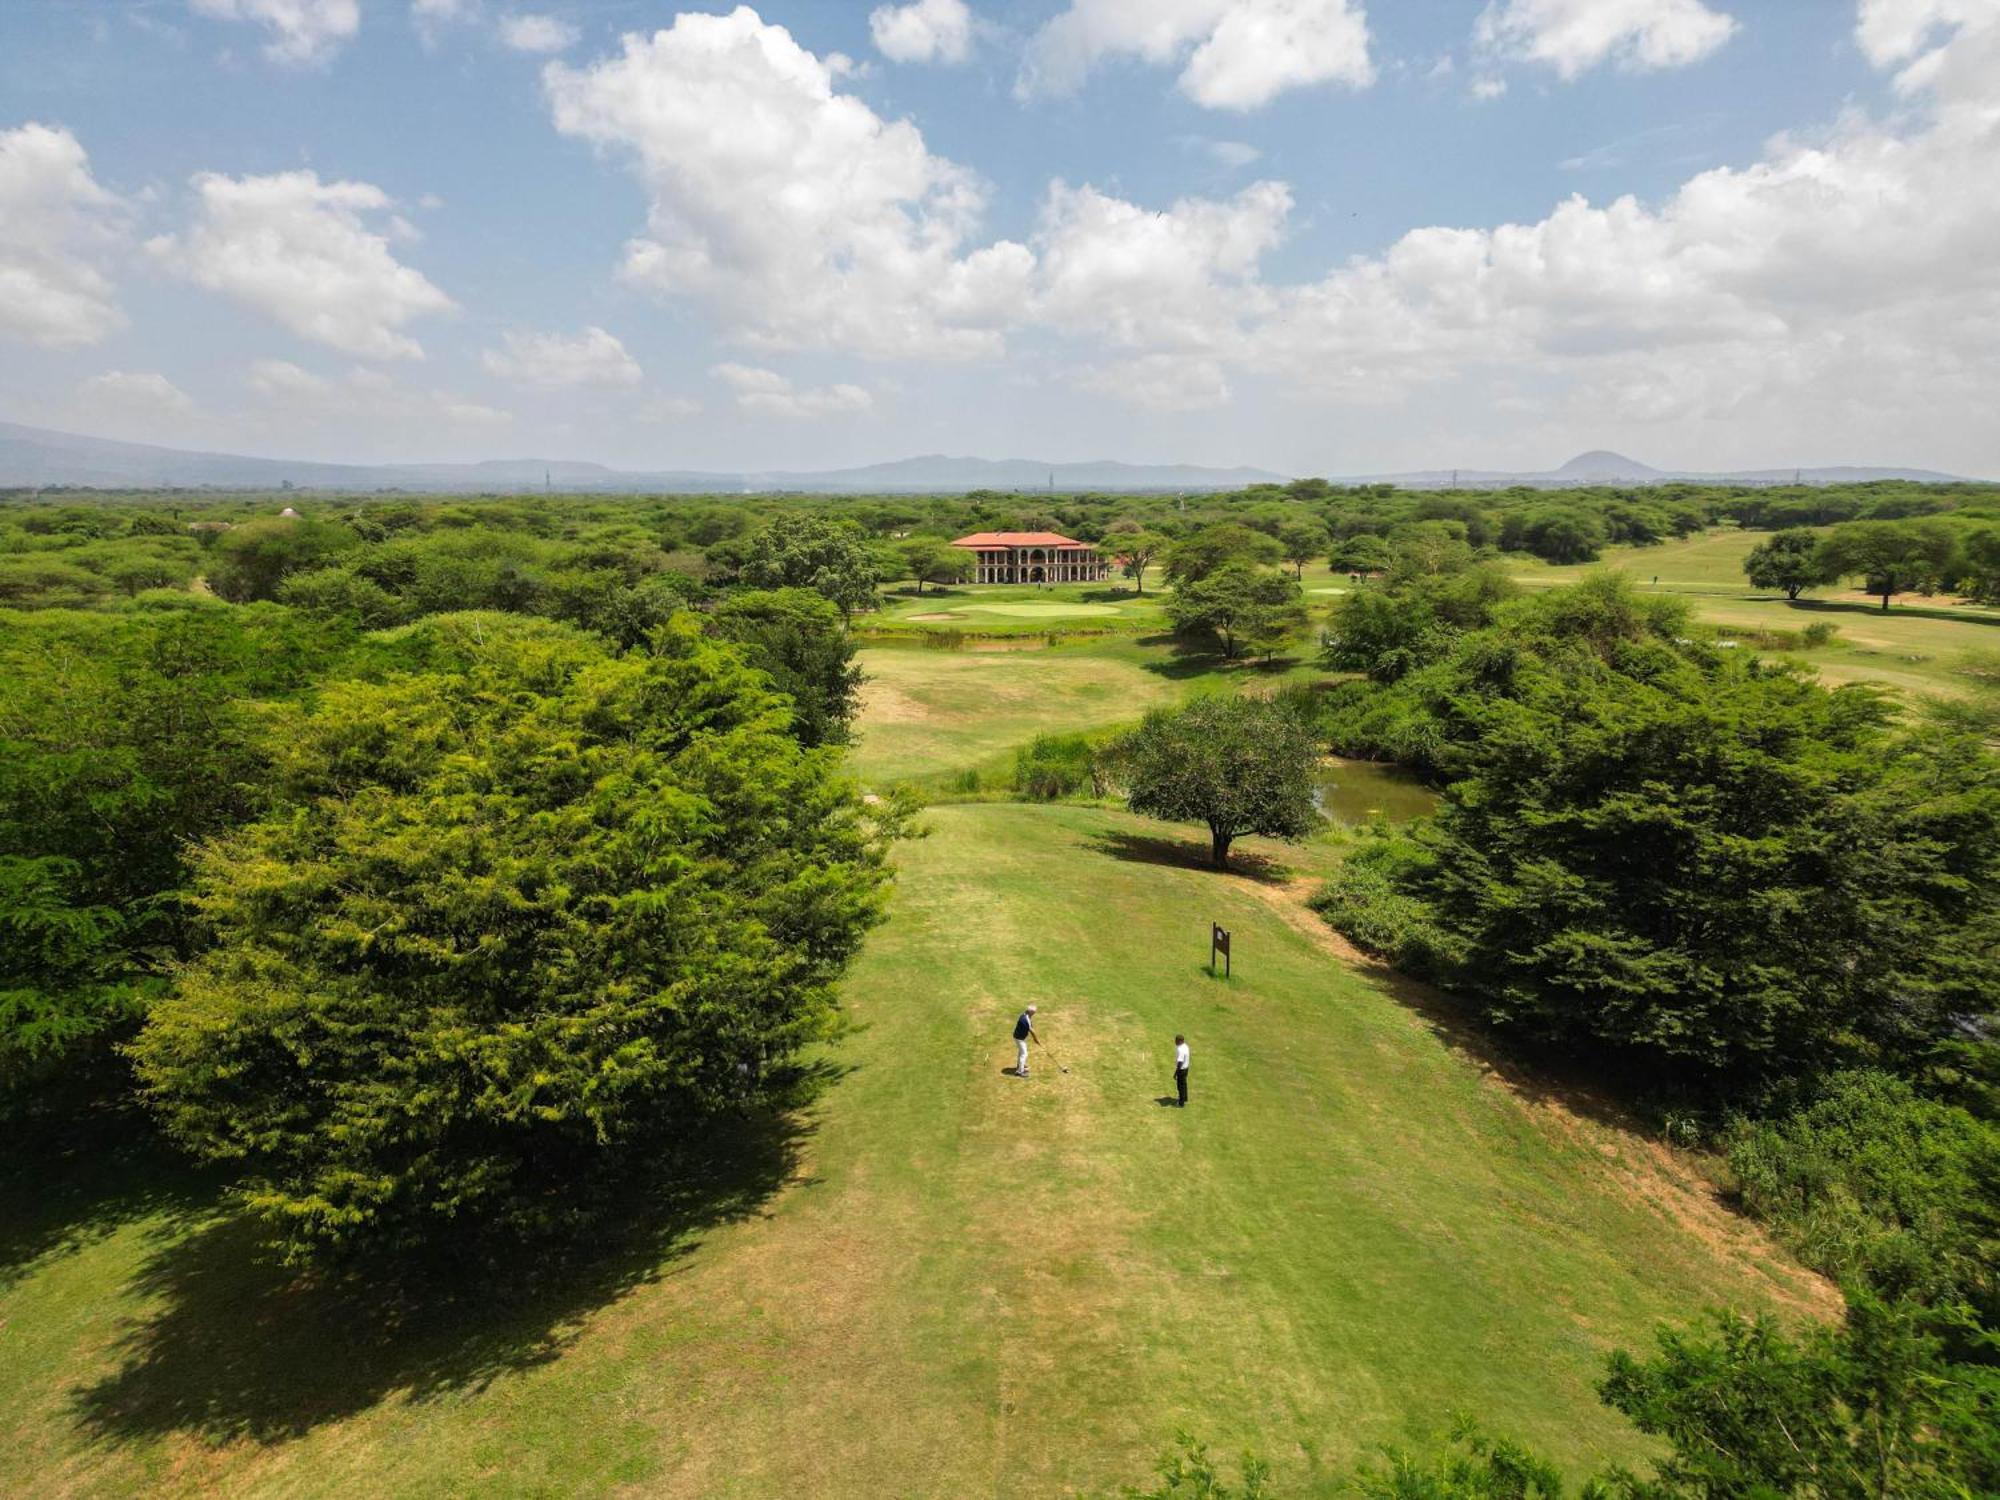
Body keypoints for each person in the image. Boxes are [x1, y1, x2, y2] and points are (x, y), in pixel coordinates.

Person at [1013, 1004, 1039, 1077]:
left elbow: (1030, 1025)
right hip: (1019, 1039)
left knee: (1021, 1052)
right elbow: (1031, 1031)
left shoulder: (1025, 1014)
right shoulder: (1025, 1019)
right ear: (1030, 1012)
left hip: (1019, 1037)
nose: (1034, 1014)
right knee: (1024, 1054)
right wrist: (1036, 1039)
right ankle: (1020, 1072)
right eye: (1034, 1013)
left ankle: (1020, 1065)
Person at [1173, 1033, 1190, 1107]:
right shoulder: (1185, 1046)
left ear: (1180, 1041)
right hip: (1186, 1068)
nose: (1175, 1042)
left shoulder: (1181, 1049)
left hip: (1181, 1070)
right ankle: (1185, 1098)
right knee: (1184, 1084)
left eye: (1176, 1041)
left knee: (1180, 1086)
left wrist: (1175, 1073)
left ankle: (1181, 1103)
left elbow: (1180, 1062)